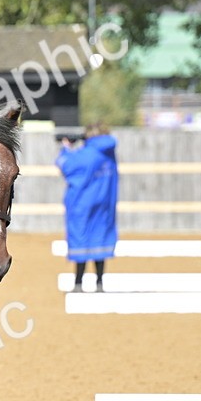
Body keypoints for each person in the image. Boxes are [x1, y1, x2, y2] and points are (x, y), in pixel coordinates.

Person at [57, 123, 119, 291]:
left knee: (81, 239)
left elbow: (66, 166)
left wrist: (65, 149)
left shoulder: (86, 154)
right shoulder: (109, 153)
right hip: (104, 204)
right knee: (100, 240)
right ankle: (99, 283)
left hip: (81, 204)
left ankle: (78, 283)